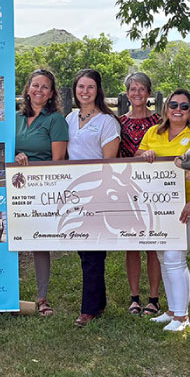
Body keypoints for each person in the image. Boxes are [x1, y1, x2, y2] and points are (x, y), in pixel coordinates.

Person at [136, 88, 190, 332]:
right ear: (166, 108)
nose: (178, 110)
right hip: (156, 206)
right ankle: (171, 311)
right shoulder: (153, 132)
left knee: (174, 258)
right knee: (162, 257)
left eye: (184, 106)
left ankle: (182, 317)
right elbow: (136, 159)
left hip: (185, 206)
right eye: (174, 105)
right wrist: (143, 154)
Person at [65, 69, 121, 328]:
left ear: (98, 90)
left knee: (93, 251)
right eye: (80, 87)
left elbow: (109, 161)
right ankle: (98, 302)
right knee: (84, 250)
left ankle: (88, 310)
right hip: (75, 190)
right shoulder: (69, 118)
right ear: (75, 90)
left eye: (90, 87)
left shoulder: (107, 122)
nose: (84, 91)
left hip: (97, 190)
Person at [13, 69, 68, 317]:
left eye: (45, 87)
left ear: (51, 94)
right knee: (9, 238)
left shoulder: (56, 120)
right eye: (35, 85)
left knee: (39, 241)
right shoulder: (13, 119)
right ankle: (4, 292)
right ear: (27, 89)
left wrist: (32, 165)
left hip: (41, 188)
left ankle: (42, 297)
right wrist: (15, 158)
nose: (39, 90)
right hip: (13, 185)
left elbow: (57, 161)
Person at [118, 73, 164, 317]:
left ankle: (154, 298)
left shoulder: (160, 122)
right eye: (132, 89)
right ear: (127, 94)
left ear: (149, 93)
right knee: (131, 244)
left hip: (153, 189)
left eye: (141, 89)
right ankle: (134, 297)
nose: (137, 93)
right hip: (127, 189)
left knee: (153, 244)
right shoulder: (118, 122)